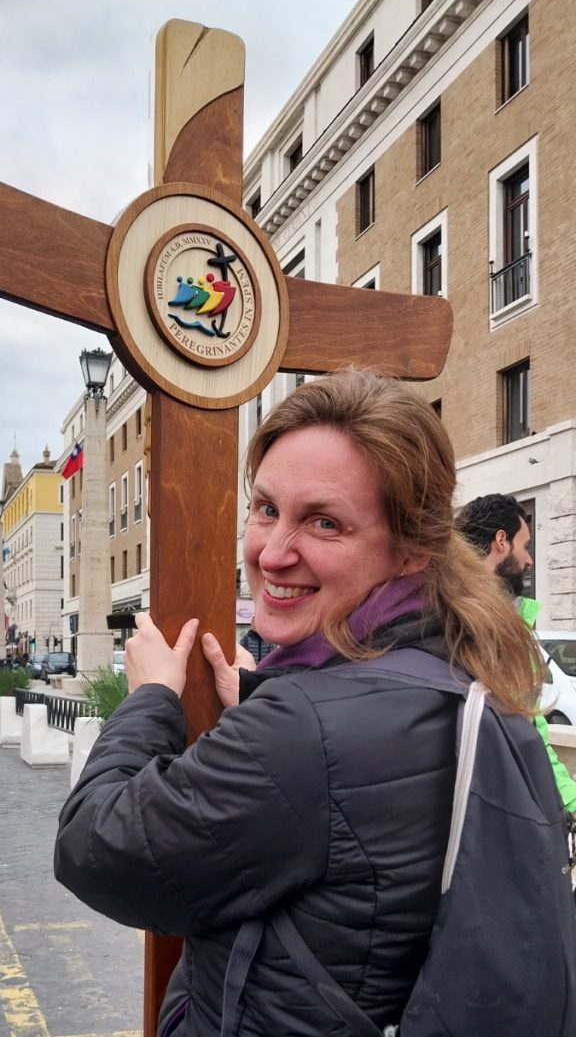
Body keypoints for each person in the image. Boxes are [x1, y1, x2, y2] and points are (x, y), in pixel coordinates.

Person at [54, 369, 552, 1035]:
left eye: (324, 522)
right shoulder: (459, 662)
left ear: (410, 550)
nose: (273, 553)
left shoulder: (304, 730)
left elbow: (95, 848)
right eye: (266, 509)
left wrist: (149, 699)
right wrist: (262, 698)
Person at [457, 492, 576, 814]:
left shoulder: (502, 621)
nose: (529, 560)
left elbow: (529, 730)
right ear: (501, 541)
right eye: (525, 546)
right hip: (487, 812)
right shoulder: (466, 623)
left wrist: (568, 799)